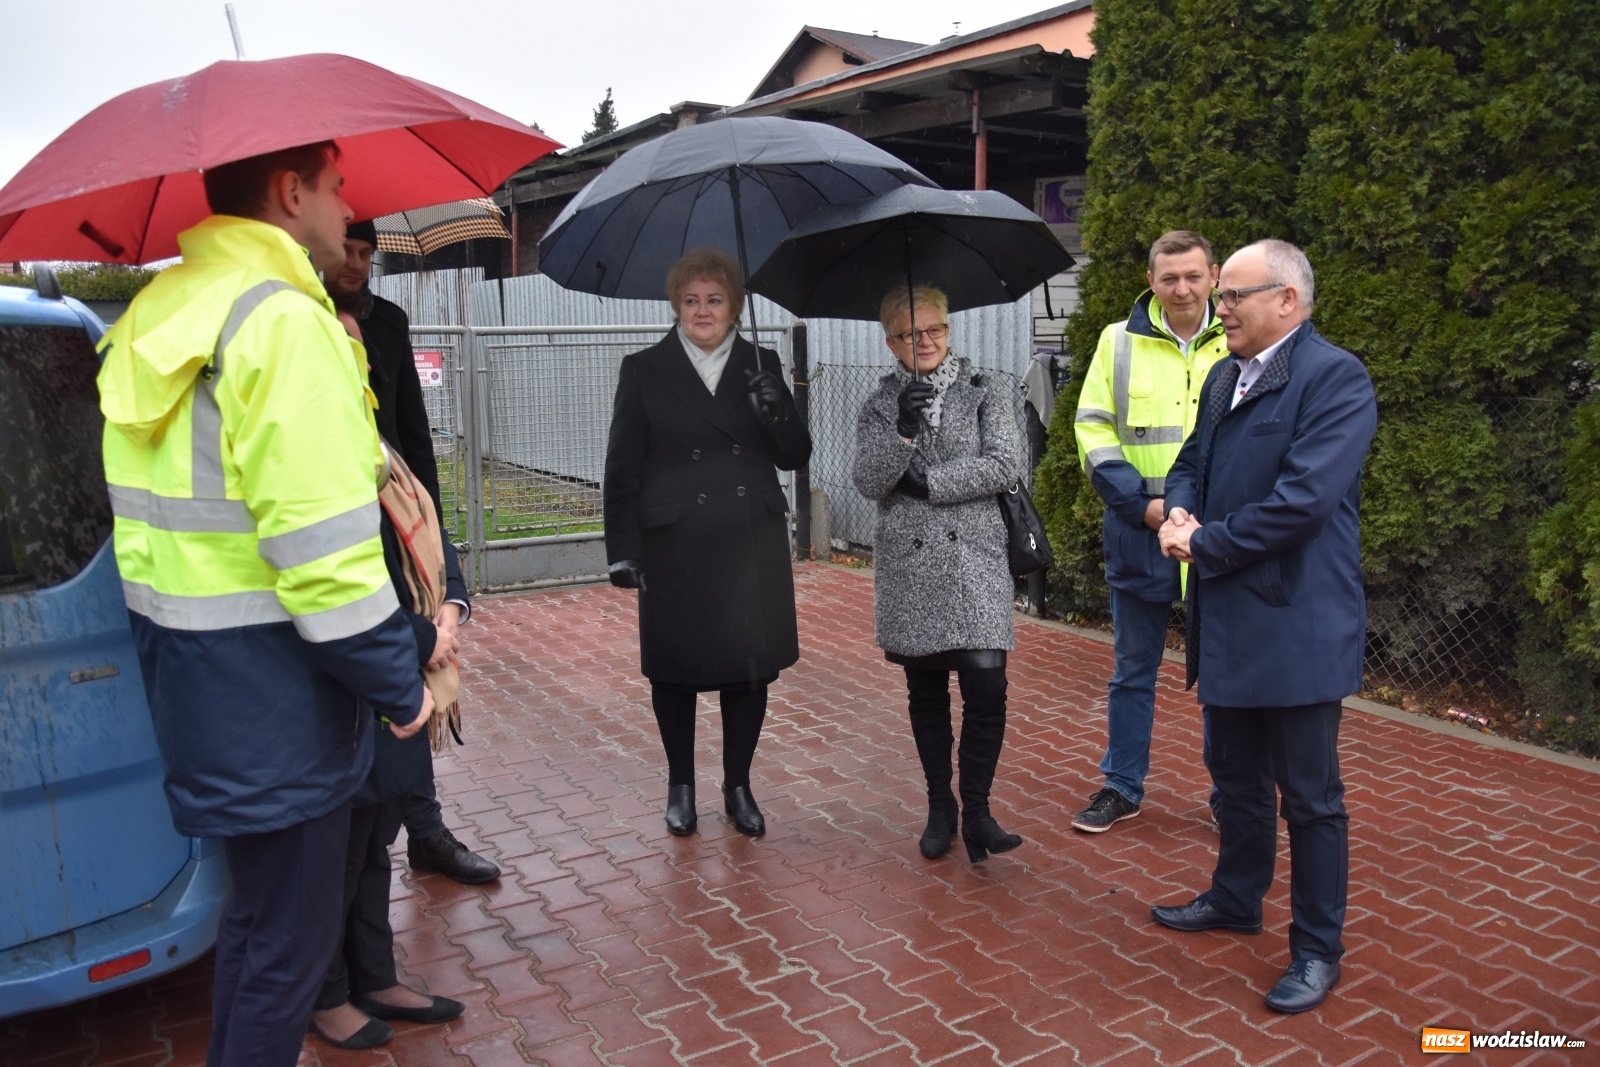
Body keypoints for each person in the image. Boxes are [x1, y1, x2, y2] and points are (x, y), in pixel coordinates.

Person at [96, 142, 433, 1066]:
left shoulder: (161, 308)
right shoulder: (282, 321)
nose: (348, 203)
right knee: (288, 949)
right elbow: (326, 562)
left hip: (200, 683)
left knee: (253, 931)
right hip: (281, 696)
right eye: (336, 186)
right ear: (292, 193)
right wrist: (403, 685)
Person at [1152, 239, 1377, 1014]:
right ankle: (1236, 897)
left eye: (1233, 296)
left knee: (1311, 797)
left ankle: (1317, 949)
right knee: (1235, 780)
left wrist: (1202, 542)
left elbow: (1302, 503)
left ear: (1287, 300)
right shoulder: (1223, 378)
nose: (1219, 308)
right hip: (1230, 625)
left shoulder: (1334, 378)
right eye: (1222, 296)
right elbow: (1190, 462)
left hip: (1298, 626)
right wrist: (1180, 505)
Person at [602, 247, 811, 837]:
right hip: (675, 545)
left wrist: (776, 412)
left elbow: (796, 455)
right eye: (691, 300)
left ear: (734, 306)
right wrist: (623, 547)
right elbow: (622, 466)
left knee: (749, 672)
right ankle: (681, 786)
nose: (702, 310)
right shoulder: (643, 369)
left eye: (714, 299)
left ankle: (738, 784)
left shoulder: (762, 364)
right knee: (675, 671)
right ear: (675, 305)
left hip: (749, 542)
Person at [310, 311, 470, 1050]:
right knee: (338, 854)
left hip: (402, 670)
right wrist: (421, 637)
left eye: (359, 352)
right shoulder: (317, 456)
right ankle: (328, 993)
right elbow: (333, 583)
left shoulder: (375, 448)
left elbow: (429, 528)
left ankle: (375, 974)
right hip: (362, 676)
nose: (360, 365)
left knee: (375, 842)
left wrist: (453, 609)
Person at [325, 219, 500, 885]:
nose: (358, 264)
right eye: (349, 250)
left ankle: (424, 830)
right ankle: (367, 838)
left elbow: (413, 434)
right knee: (374, 669)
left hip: (396, 515)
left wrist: (431, 528)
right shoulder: (303, 321)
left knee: (417, 662)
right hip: (335, 508)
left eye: (368, 254)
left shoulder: (389, 323)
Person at [852, 286, 1026, 863]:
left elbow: (1006, 465)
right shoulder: (879, 403)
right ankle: (939, 807)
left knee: (987, 686)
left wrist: (930, 484)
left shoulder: (985, 389)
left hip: (974, 555)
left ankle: (977, 811)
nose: (925, 342)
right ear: (891, 342)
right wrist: (903, 431)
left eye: (935, 330)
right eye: (910, 334)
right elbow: (868, 481)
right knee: (925, 691)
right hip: (912, 563)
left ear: (948, 331)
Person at [1070, 230, 1227, 833]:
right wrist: (1147, 507)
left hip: (1219, 539)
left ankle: (1229, 792)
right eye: (1170, 278)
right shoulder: (1118, 341)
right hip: (1141, 532)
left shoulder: (1238, 339)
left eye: (1193, 276)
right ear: (1151, 280)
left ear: (1213, 275)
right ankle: (1122, 785)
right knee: (1133, 670)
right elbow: (1093, 429)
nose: (1182, 288)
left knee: (1223, 674)